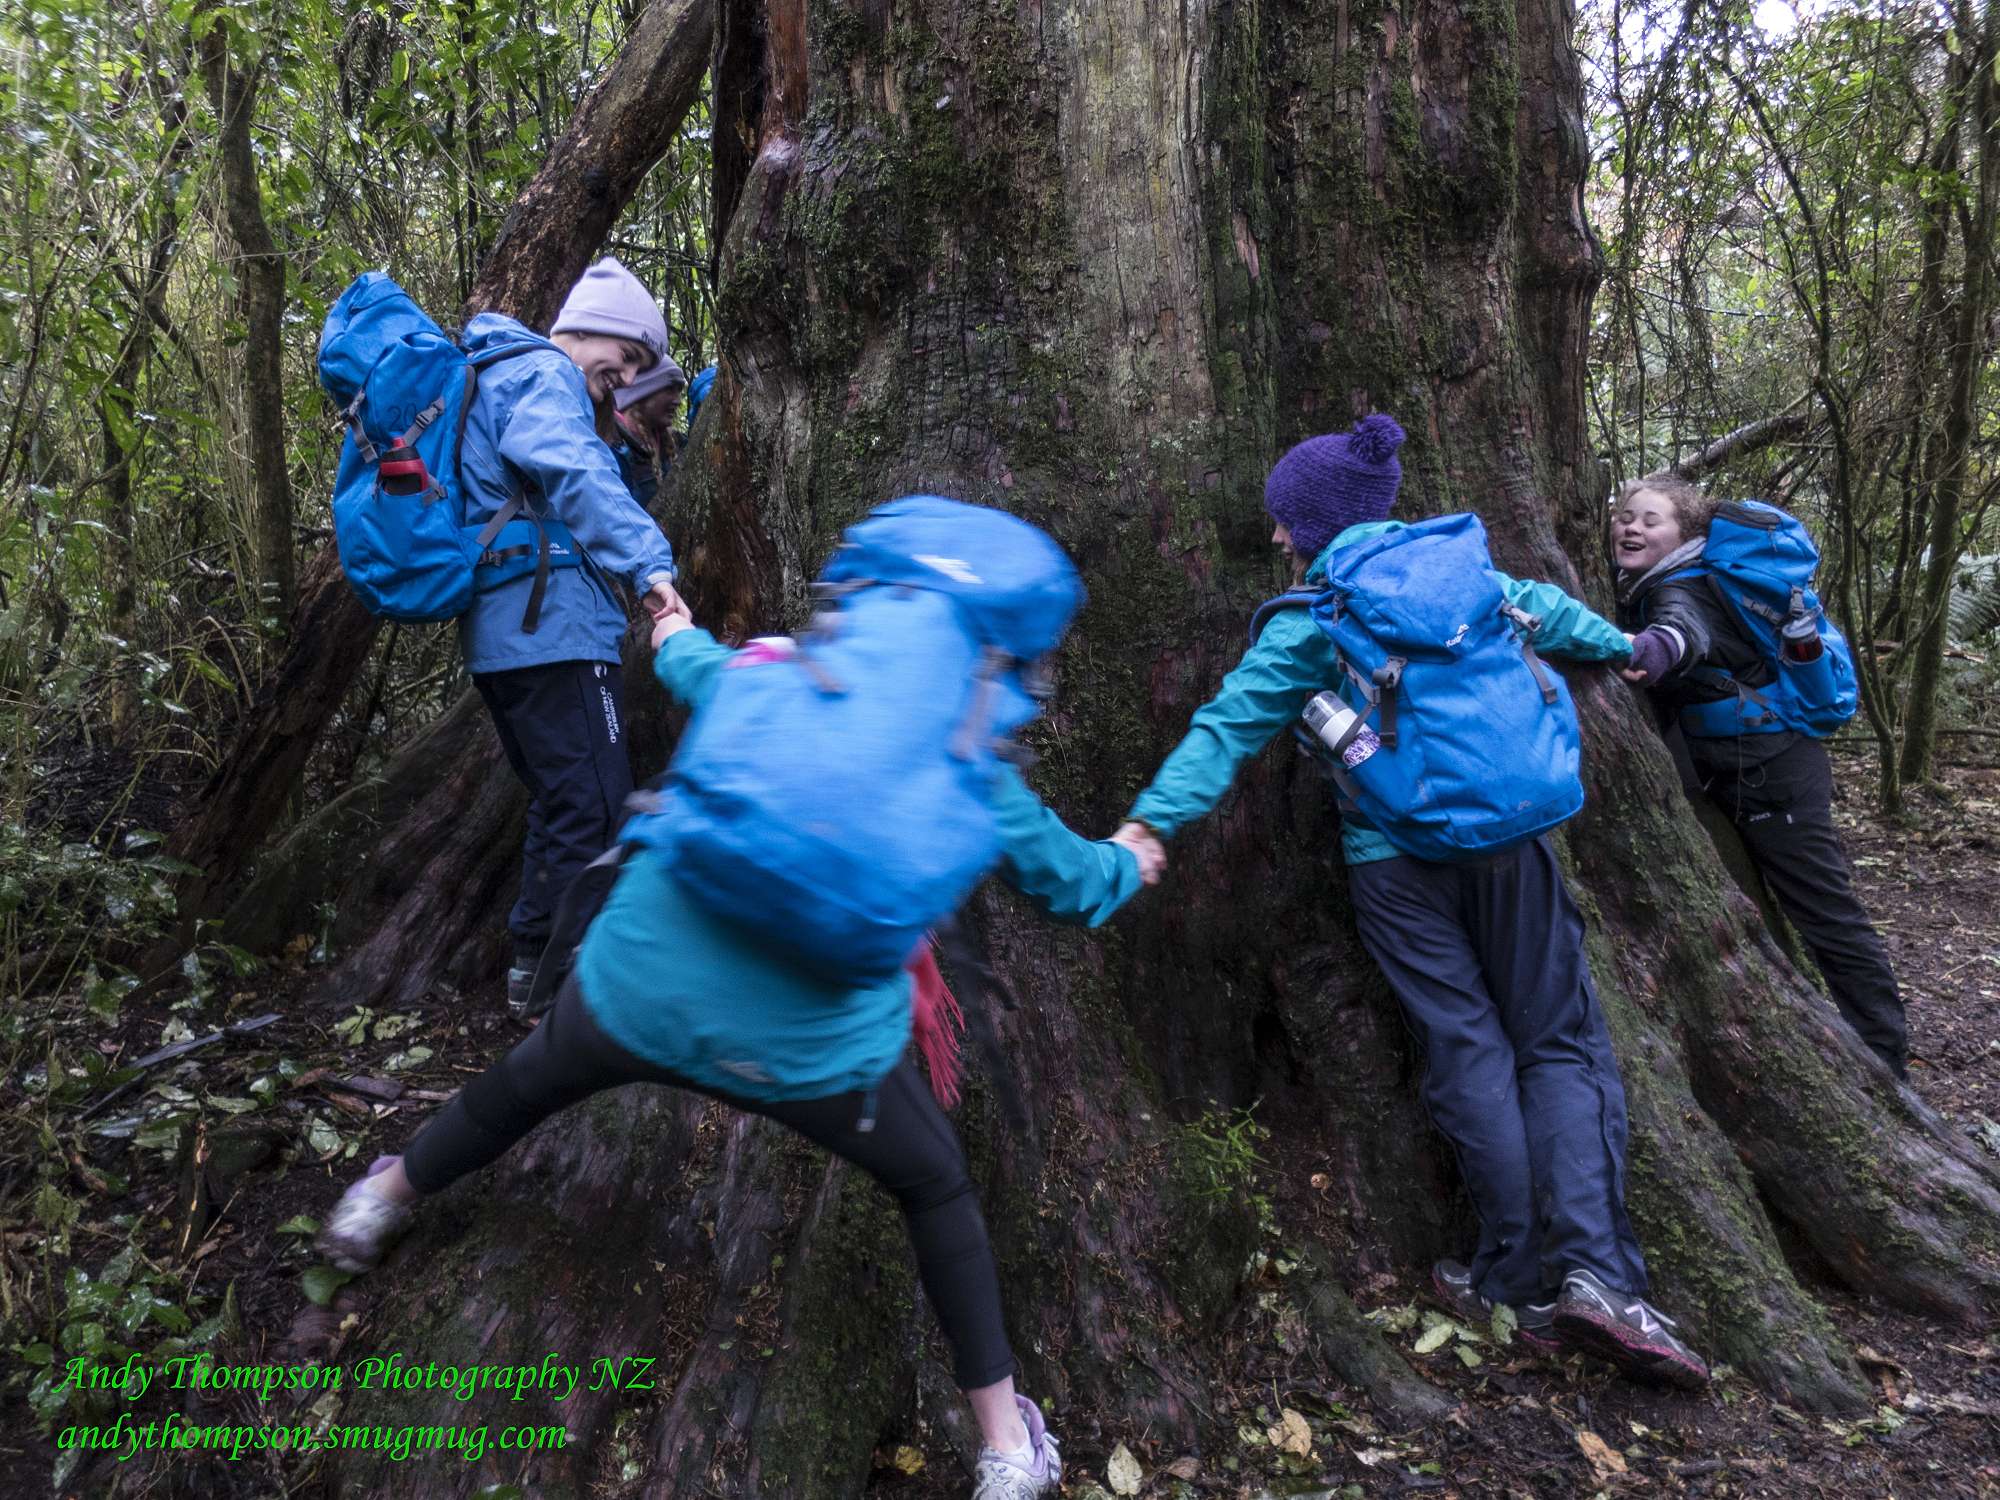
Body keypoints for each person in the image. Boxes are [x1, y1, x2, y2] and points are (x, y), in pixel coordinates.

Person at [319, 501, 1165, 1500]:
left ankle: (375, 1203)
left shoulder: (768, 673)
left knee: (521, 1085)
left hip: (633, 993)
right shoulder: (976, 776)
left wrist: (671, 622)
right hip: (813, 1061)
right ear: (995, 663)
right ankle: (1007, 1449)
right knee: (935, 1185)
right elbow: (1073, 886)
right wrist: (1128, 859)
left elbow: (687, 664)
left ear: (862, 602)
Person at [1116, 417, 1709, 1388]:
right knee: (1558, 1045)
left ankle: (1512, 1281)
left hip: (1393, 861)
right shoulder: (1470, 577)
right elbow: (1555, 616)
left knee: (1467, 1048)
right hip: (1513, 844)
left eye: (1283, 519)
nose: (1276, 536)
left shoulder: (1313, 619)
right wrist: (1630, 647)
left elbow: (1225, 728)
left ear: (1313, 524)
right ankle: (1600, 1279)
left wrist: (1151, 822)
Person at [1613, 477, 1907, 1076]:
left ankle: (1885, 1058)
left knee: (1825, 914)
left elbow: (1682, 631)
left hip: (1775, 772)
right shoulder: (1672, 581)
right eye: (1624, 516)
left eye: (1650, 519)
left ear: (1686, 535)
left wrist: (1653, 650)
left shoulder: (1683, 587)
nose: (1631, 527)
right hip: (1746, 765)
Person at [457, 256, 684, 1022]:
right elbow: (576, 472)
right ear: (588, 330)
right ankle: (562, 987)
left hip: (513, 634)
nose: (626, 379)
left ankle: (538, 968)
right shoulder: (542, 372)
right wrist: (652, 570)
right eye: (626, 358)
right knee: (594, 804)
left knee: (566, 801)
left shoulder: (502, 375)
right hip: (551, 632)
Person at [608, 355, 687, 509]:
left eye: (679, 391)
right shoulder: (610, 445)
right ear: (643, 392)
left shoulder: (676, 441)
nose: (678, 401)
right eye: (670, 390)